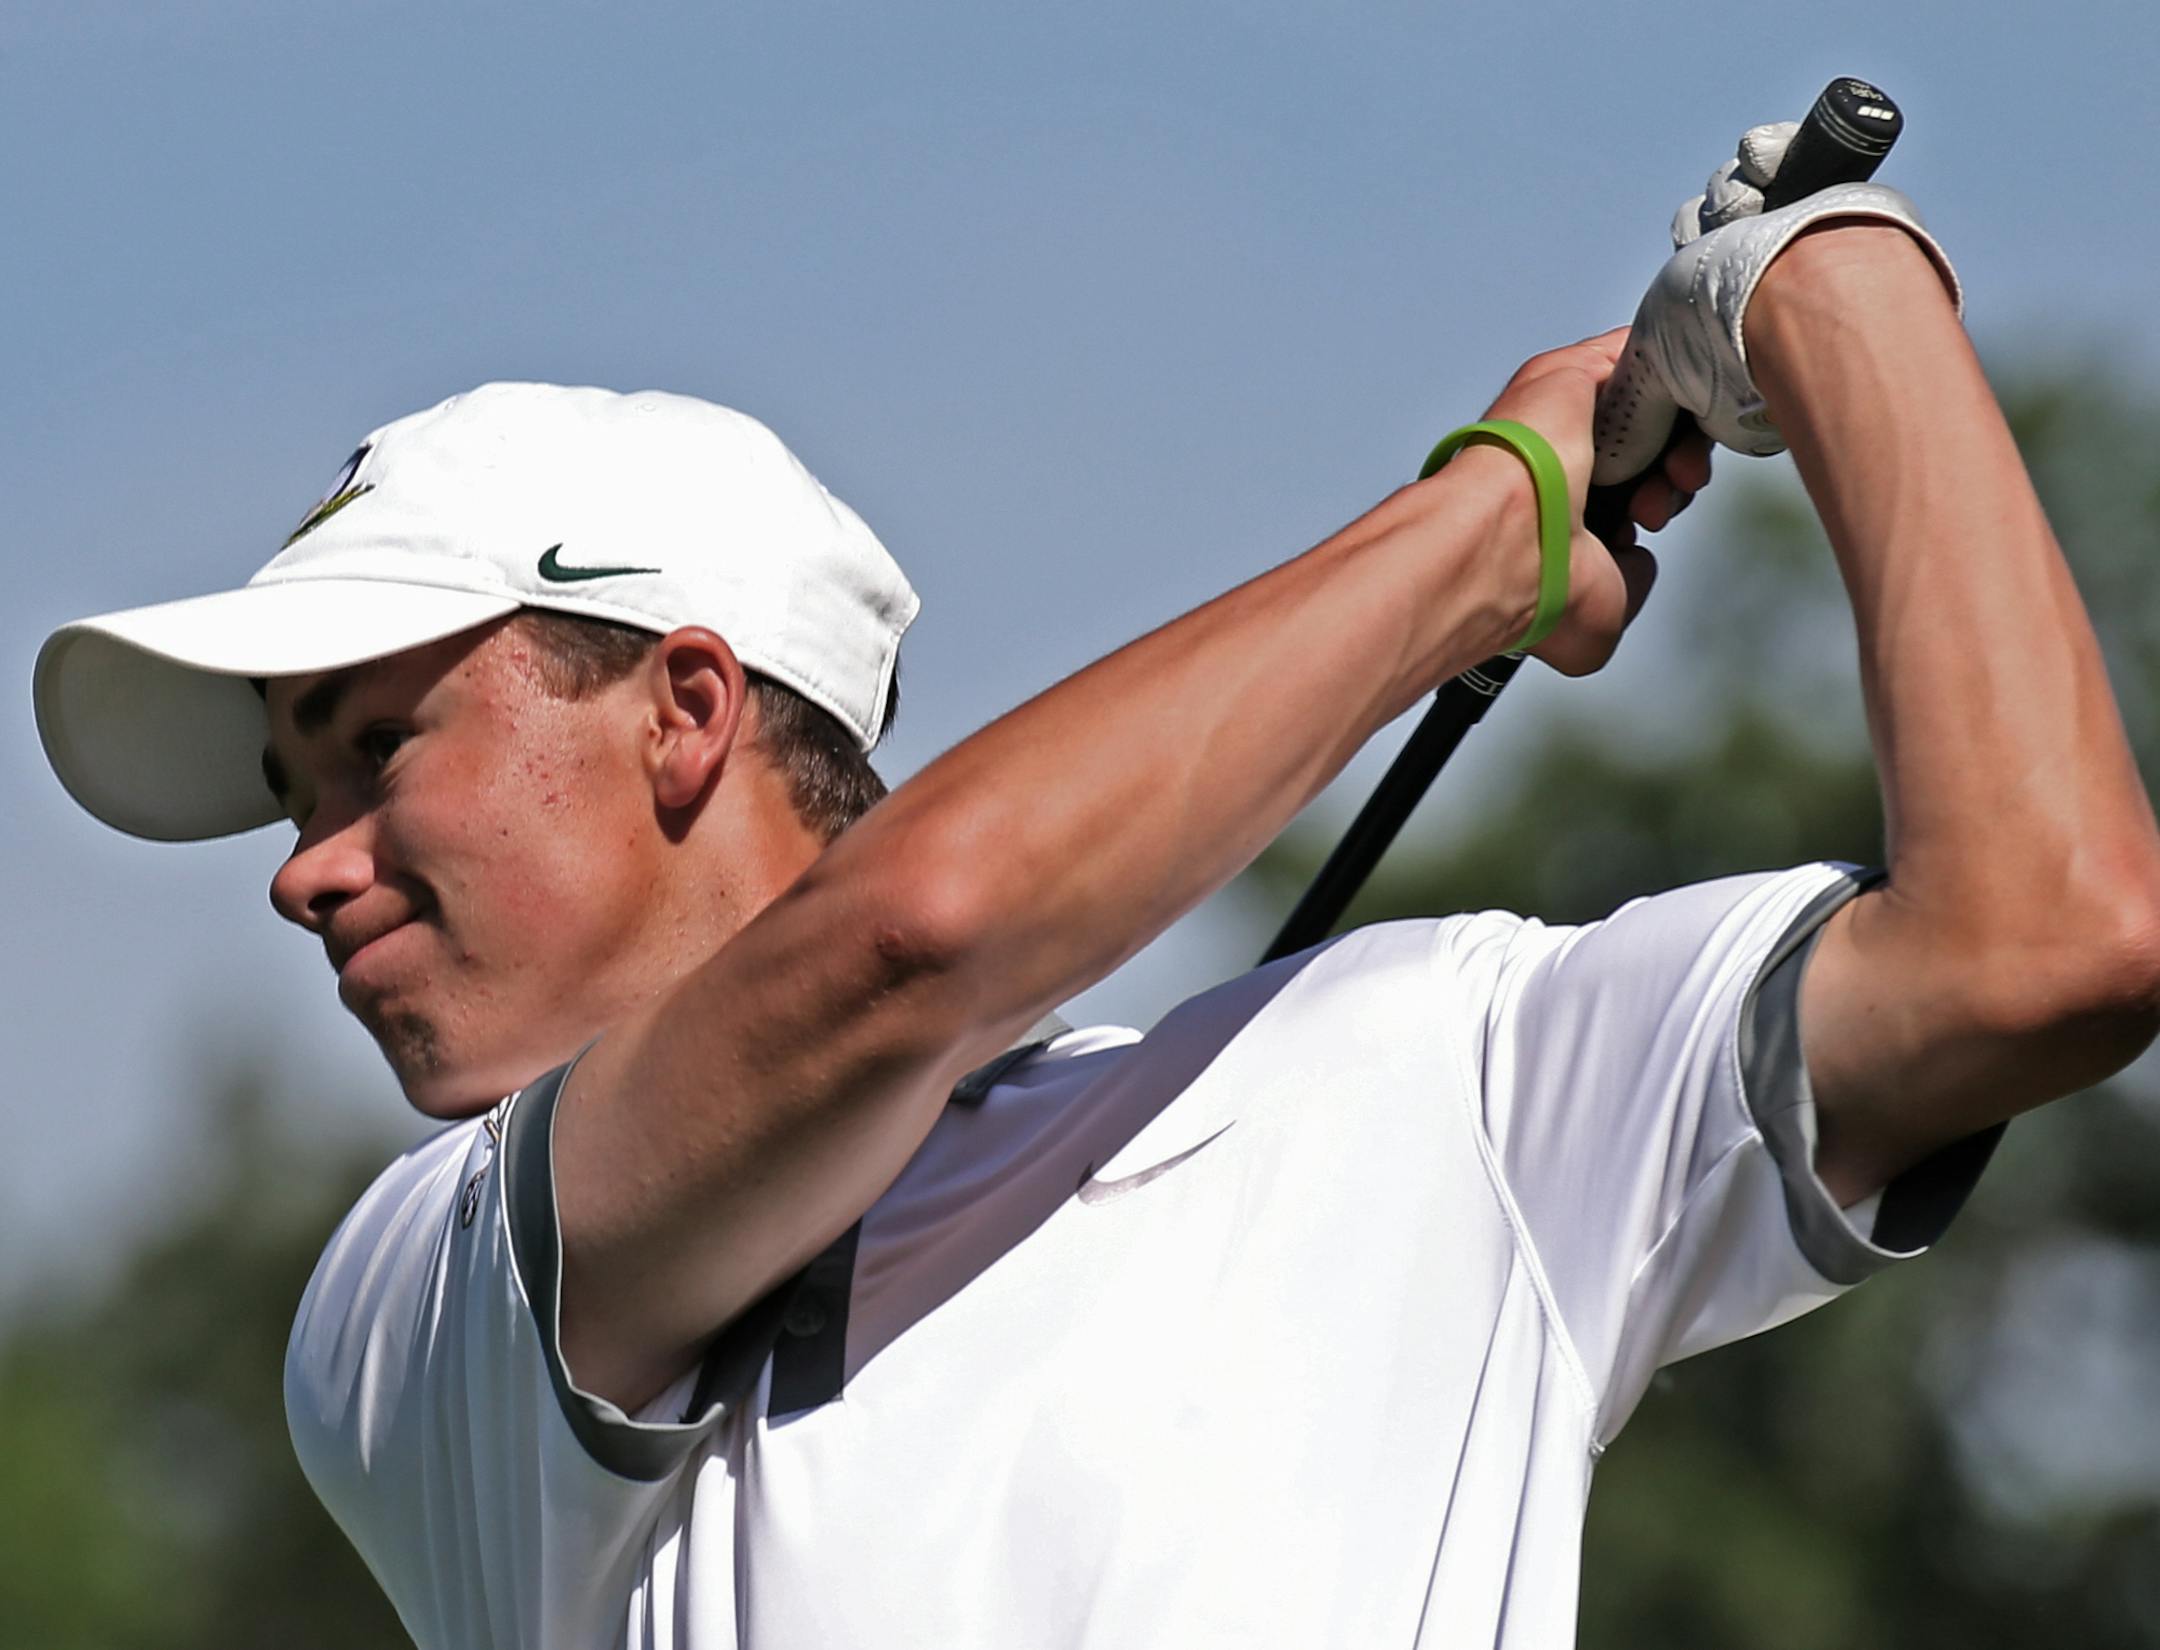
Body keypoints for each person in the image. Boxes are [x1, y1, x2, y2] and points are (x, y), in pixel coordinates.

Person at [32, 125, 2160, 1649]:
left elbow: (2047, 940)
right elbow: (911, 939)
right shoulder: (415, 1306)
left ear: (684, 710)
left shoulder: (1451, 1078)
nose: (303, 876)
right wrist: (1484, 528)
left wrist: (1831, 293)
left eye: (372, 751)